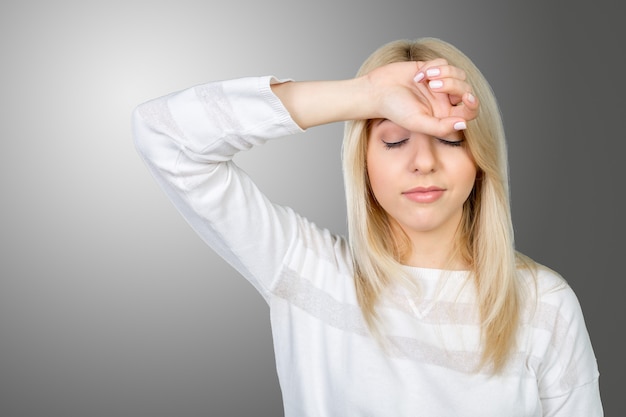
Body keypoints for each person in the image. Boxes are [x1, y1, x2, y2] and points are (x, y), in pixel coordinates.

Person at [132, 37, 603, 416]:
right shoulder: (306, 272)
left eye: (447, 139)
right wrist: (365, 95)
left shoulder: (543, 304)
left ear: (480, 160)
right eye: (395, 140)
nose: (424, 163)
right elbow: (164, 133)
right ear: (363, 161)